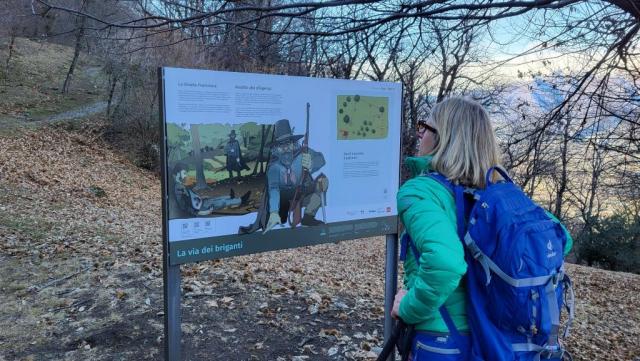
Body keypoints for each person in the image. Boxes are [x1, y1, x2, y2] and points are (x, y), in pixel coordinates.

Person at [390, 97, 573, 360]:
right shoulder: (500, 196)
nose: (420, 134)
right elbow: (561, 238)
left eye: (425, 127)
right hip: (496, 339)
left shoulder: (421, 191)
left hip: (444, 341)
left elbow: (446, 263)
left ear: (443, 138)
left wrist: (409, 308)